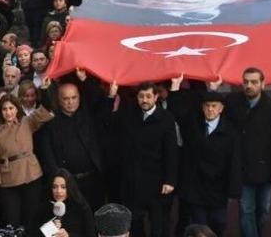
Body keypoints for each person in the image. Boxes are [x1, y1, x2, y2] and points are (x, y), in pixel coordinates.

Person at [167, 77, 241, 237]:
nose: (210, 110)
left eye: (214, 106)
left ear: (221, 108)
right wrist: (175, 86)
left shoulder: (230, 132)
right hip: (196, 188)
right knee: (200, 228)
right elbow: (176, 111)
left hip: (218, 189)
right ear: (202, 108)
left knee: (219, 223)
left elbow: (234, 162)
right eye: (207, 106)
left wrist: (233, 189)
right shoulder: (193, 125)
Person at [223, 68, 271, 237]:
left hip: (265, 170)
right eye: (246, 82)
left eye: (253, 82)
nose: (249, 86)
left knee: (263, 210)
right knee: (246, 210)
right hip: (242, 169)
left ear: (263, 84)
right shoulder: (232, 102)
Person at [38, 70, 114, 211]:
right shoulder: (51, 123)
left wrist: (84, 79)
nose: (70, 102)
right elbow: (47, 154)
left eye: (74, 97)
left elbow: (100, 103)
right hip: (67, 183)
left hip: (93, 180)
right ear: (58, 99)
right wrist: (57, 178)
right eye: (66, 99)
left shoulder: (88, 116)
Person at [111, 81, 178, 237]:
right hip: (133, 182)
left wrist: (170, 180)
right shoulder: (129, 114)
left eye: (148, 96)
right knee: (134, 224)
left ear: (156, 97)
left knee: (158, 225)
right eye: (141, 96)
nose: (145, 100)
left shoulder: (166, 118)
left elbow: (171, 151)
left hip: (158, 183)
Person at [0, 88, 55, 229]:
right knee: (12, 219)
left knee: (32, 216)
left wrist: (45, 89)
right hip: (8, 179)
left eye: (11, 108)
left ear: (17, 109)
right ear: (0, 111)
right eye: (4, 109)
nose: (8, 112)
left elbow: (46, 109)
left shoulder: (26, 122)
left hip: (31, 174)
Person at [37, 169, 96, 237]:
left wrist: (68, 235)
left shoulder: (82, 207)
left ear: (69, 188)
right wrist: (49, 229)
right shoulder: (45, 206)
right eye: (54, 187)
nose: (58, 191)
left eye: (63, 187)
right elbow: (32, 232)